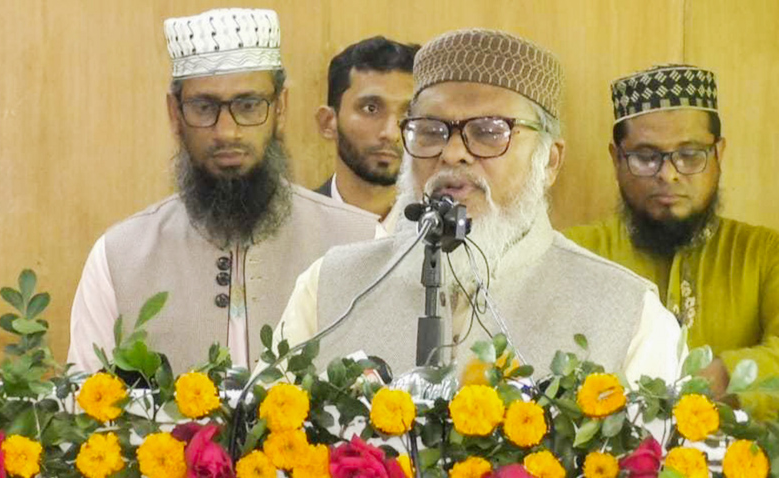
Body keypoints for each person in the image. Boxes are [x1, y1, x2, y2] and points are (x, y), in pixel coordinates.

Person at [274, 29, 683, 384]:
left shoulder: (628, 315)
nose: (453, 154)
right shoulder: (330, 288)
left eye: (489, 133)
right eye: (432, 131)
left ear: (550, 161)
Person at [67, 8, 377, 374]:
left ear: (280, 108)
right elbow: (85, 413)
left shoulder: (363, 246)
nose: (227, 132)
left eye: (248, 106)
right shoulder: (119, 258)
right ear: (174, 113)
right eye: (204, 107)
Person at [566, 64, 779, 413]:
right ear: (616, 159)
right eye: (646, 157)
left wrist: (714, 381)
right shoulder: (576, 253)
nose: (669, 174)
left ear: (719, 155)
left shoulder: (768, 255)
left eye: (690, 155)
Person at [314, 37, 419, 219]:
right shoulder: (289, 230)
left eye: (409, 114)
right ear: (328, 122)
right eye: (371, 108)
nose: (391, 133)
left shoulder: (442, 236)